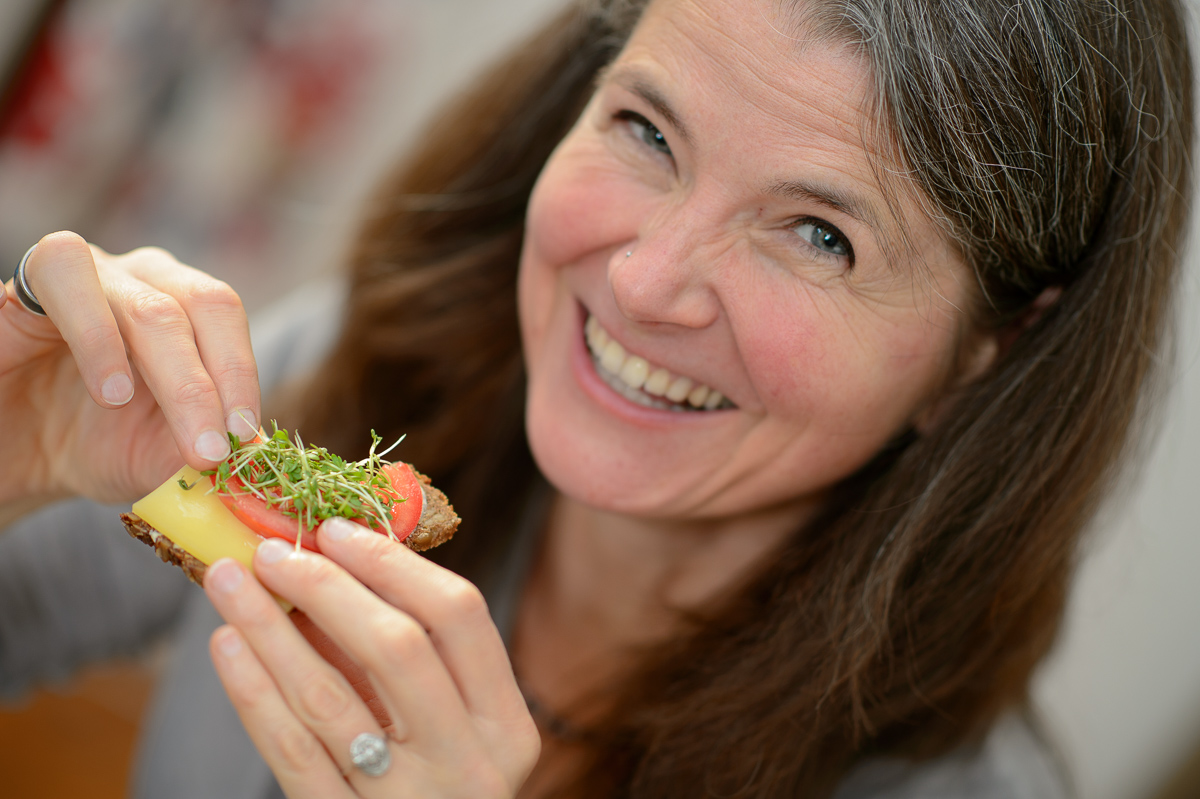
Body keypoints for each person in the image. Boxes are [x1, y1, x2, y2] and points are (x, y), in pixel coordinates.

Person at [0, 0, 1192, 796]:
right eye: (646, 129)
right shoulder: (358, 382)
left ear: (990, 347)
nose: (639, 280)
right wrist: (15, 456)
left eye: (821, 234)